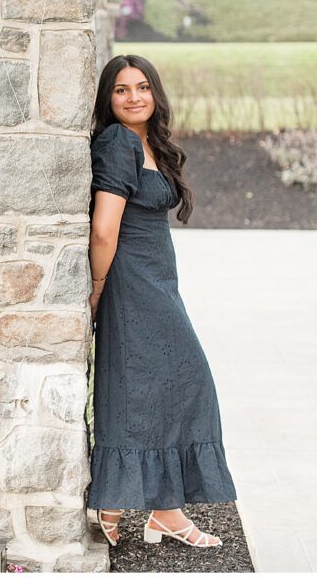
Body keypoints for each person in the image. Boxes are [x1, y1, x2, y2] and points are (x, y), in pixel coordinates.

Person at [85, 54, 238, 549]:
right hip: (130, 282)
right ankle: (115, 499)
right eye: (122, 90)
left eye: (143, 87)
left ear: (155, 94)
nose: (134, 97)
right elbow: (105, 228)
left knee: (167, 386)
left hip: (157, 282)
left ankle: (165, 513)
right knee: (169, 381)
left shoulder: (149, 142)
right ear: (109, 99)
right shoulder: (116, 143)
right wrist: (98, 287)